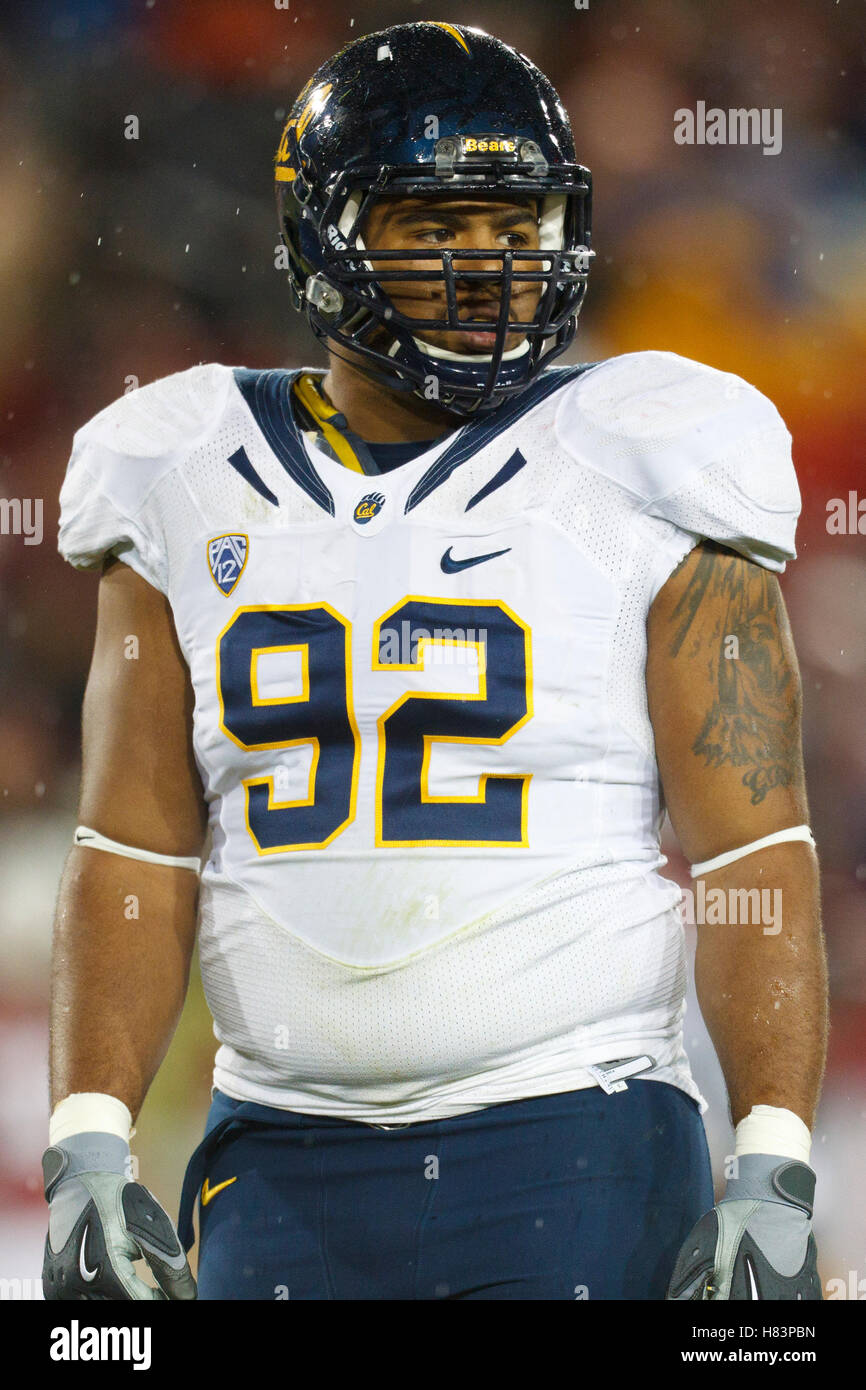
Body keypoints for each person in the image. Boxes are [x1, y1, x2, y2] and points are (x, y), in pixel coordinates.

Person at [43, 21, 827, 1301]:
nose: (489, 267)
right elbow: (130, 844)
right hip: (275, 1157)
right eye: (435, 224)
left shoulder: (642, 450)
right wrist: (89, 1138)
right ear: (323, 234)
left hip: (575, 1142)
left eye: (514, 225)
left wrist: (772, 1163)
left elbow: (753, 849)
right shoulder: (177, 465)